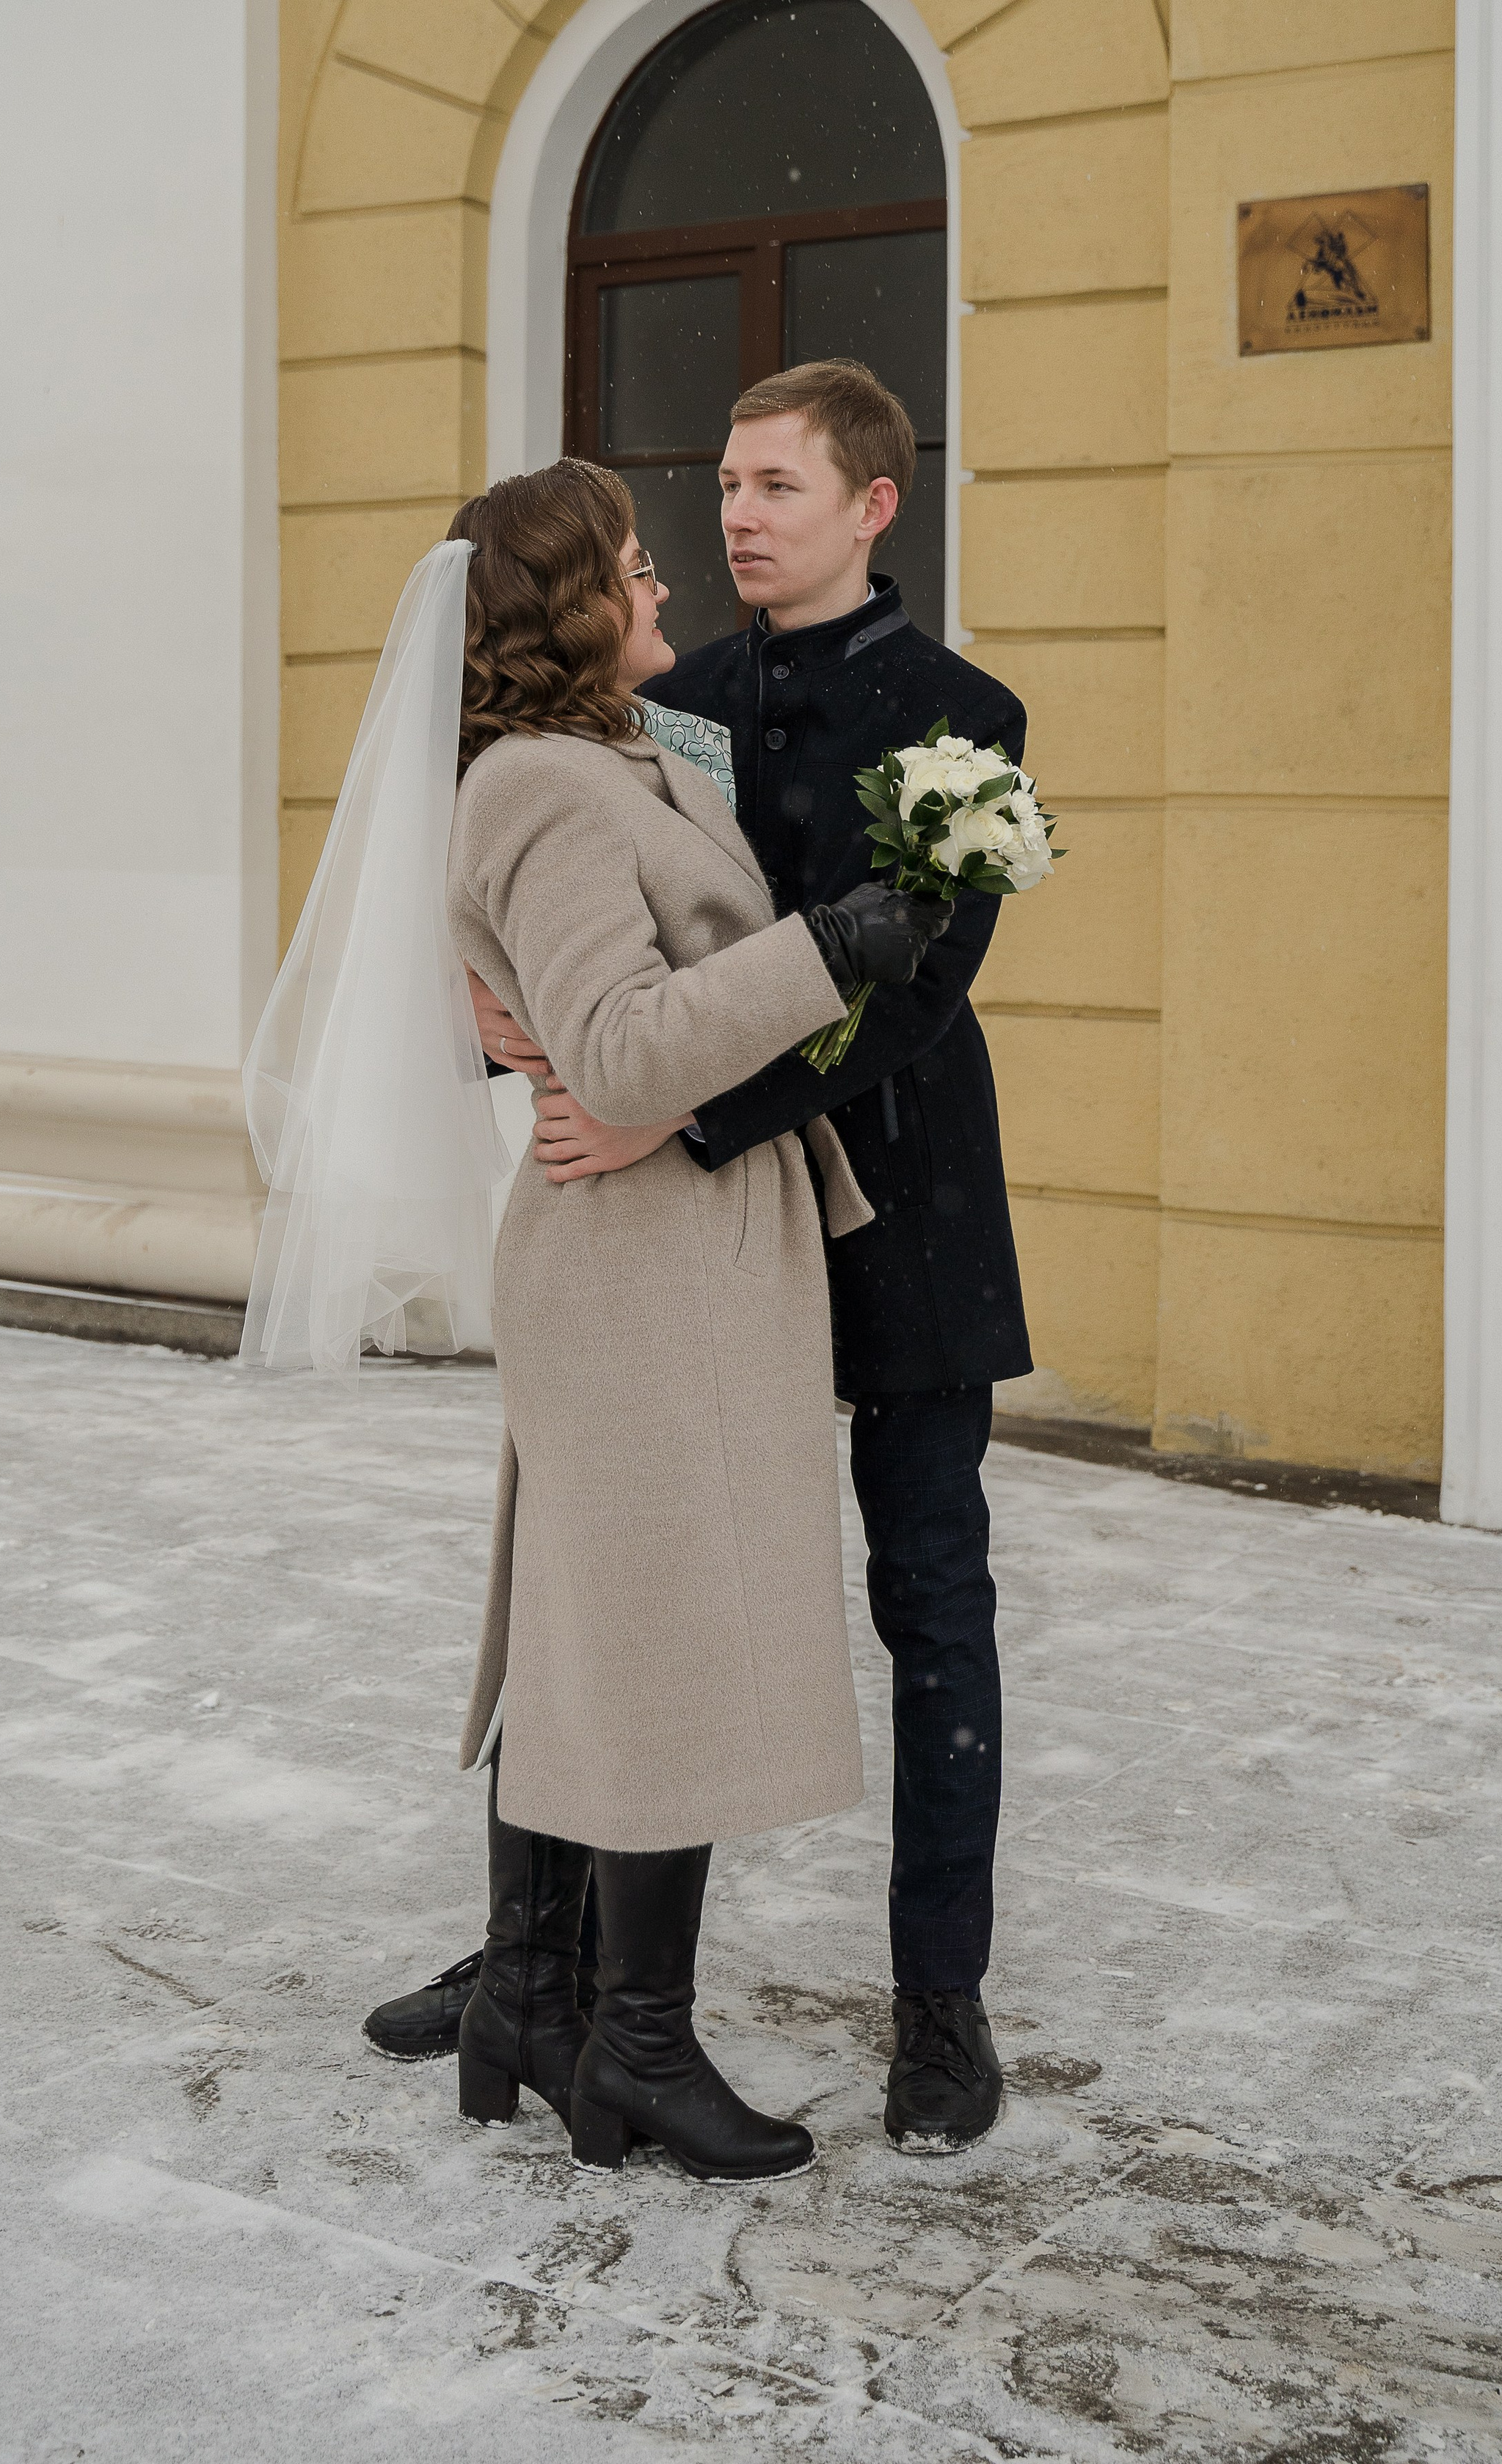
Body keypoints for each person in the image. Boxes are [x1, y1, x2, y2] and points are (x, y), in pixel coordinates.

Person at [258, 459, 951, 2182]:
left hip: (687, 1249)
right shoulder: (549, 790)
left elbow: (592, 1020)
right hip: (641, 1266)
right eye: (634, 565)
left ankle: (538, 2006)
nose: (664, 584)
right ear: (571, 611)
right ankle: (627, 2044)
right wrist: (830, 950)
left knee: (610, 1640)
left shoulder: (621, 755)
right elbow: (629, 1046)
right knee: (654, 1655)